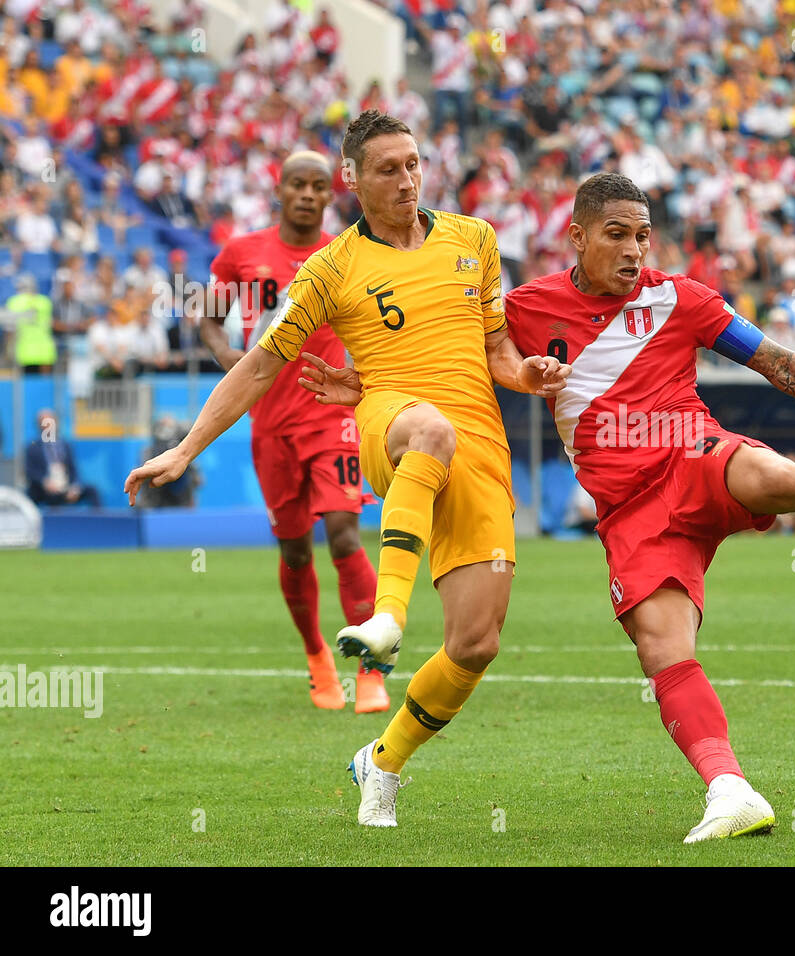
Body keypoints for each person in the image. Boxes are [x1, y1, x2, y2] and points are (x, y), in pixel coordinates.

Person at [301, 172, 795, 843]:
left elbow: (781, 364)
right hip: (628, 511)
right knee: (664, 650)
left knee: (772, 478)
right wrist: (365, 388)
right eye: (617, 236)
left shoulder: (680, 299)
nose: (634, 250)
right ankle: (729, 789)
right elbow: (437, 356)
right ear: (578, 236)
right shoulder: (524, 310)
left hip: (696, 458)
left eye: (643, 236)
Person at [126, 112, 570, 828]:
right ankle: (386, 617)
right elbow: (262, 360)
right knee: (424, 429)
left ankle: (382, 761)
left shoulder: (475, 241)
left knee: (475, 644)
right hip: (388, 419)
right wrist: (185, 448)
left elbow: (497, 355)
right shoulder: (329, 269)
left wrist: (532, 373)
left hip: (481, 447)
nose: (406, 179)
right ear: (352, 179)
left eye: (414, 164)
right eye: (388, 168)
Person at [194, 151, 390, 714]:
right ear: (278, 189)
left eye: (318, 186)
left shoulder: (345, 253)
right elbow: (207, 314)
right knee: (296, 550)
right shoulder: (242, 254)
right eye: (297, 185)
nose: (307, 194)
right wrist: (224, 351)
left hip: (333, 417)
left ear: (331, 194)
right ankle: (316, 658)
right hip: (269, 422)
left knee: (345, 535)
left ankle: (371, 669)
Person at [26, 409, 101, 507]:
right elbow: (30, 472)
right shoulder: (33, 447)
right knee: (42, 494)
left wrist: (75, 486)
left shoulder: (65, 445)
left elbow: (73, 469)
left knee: (92, 490)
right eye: (44, 423)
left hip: (65, 485)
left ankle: (98, 521)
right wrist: (45, 482)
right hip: (45, 488)